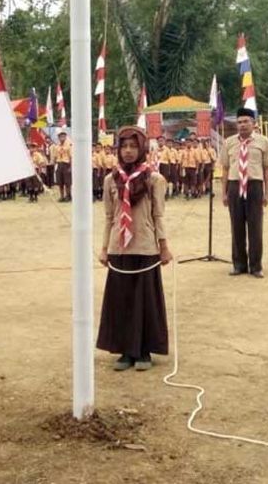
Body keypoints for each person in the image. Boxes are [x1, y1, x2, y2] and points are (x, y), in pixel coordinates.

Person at [96, 126, 172, 372]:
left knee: (145, 301)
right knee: (122, 300)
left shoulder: (154, 179)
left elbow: (158, 215)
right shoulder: (110, 180)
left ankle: (144, 351)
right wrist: (105, 248)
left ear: (142, 149)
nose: (128, 152)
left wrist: (164, 247)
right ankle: (125, 351)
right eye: (124, 147)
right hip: (120, 248)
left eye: (133, 147)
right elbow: (110, 217)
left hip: (145, 247)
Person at [219, 108, 268, 278]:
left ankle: (256, 266)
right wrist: (224, 193)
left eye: (246, 122)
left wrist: (267, 192)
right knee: (236, 226)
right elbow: (225, 169)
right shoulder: (229, 142)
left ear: (253, 124)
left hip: (254, 186)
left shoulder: (263, 142)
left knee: (255, 227)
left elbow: (267, 168)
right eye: (240, 122)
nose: (242, 125)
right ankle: (239, 264)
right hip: (235, 186)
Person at [53, 130, 73, 202]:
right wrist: (55, 164)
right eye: (60, 136)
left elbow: (71, 157)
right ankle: (61, 196)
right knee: (60, 182)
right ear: (58, 137)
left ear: (65, 137)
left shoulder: (69, 145)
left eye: (63, 136)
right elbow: (55, 156)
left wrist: (71, 167)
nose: (62, 138)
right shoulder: (56, 146)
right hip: (59, 164)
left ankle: (68, 195)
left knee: (67, 182)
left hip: (66, 164)